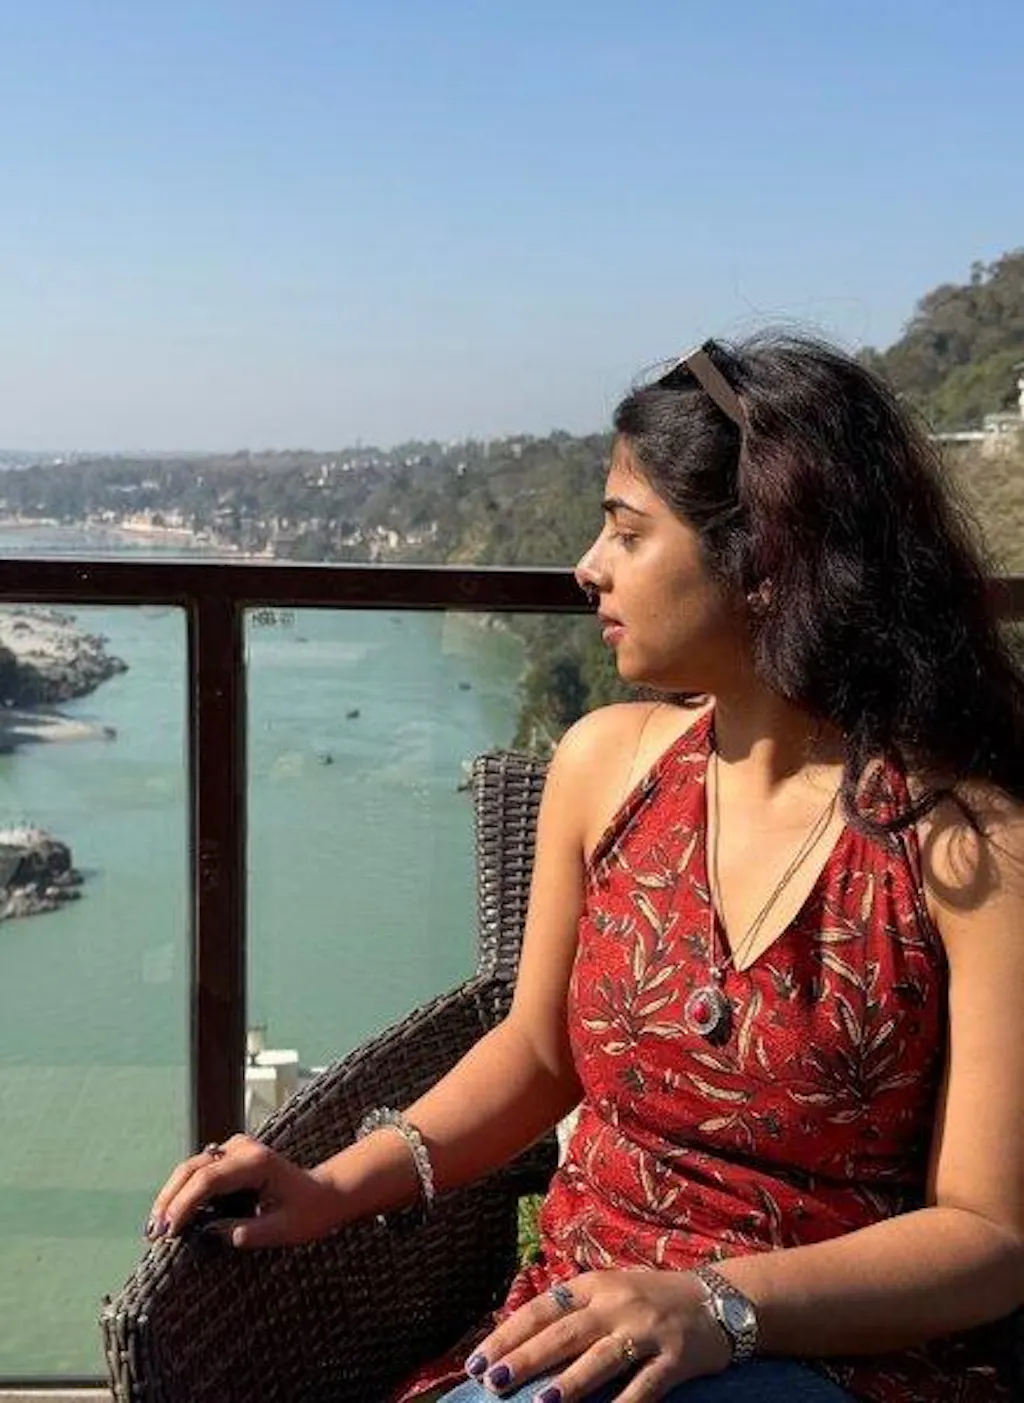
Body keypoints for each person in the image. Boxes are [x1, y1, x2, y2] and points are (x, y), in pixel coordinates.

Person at [147, 334, 1024, 1402]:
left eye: (627, 530)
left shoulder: (966, 851)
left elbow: (989, 1233)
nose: (588, 565)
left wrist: (715, 1305)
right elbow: (538, 1049)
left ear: (767, 563)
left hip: (830, 1353)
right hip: (564, 1337)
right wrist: (334, 1186)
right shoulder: (607, 767)